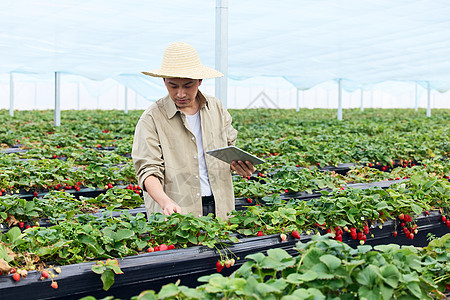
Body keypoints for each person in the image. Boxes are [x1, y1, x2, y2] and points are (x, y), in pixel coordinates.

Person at [132, 42, 255, 219]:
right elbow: (147, 170)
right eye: (173, 86)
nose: (180, 93)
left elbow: (228, 151)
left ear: (199, 81)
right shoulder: (152, 118)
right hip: (177, 212)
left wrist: (238, 165)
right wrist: (165, 201)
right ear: (164, 81)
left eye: (188, 85)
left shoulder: (216, 108)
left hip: (220, 206)